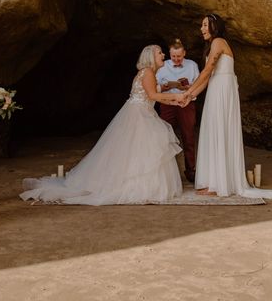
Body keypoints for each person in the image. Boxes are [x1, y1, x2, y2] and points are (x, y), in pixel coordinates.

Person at [20, 45, 185, 205]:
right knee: (142, 150)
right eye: (160, 53)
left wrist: (172, 86)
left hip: (139, 112)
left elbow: (154, 89)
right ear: (150, 57)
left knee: (131, 152)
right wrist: (176, 98)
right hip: (140, 115)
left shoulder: (146, 73)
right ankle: (137, 187)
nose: (163, 55)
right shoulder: (148, 72)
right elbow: (153, 94)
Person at [183, 14, 272, 200]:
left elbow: (207, 71)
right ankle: (214, 181)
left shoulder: (219, 42)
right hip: (216, 89)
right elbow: (207, 78)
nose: (202, 29)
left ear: (214, 26)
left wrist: (188, 91)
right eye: (202, 25)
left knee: (220, 131)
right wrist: (190, 96)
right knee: (213, 131)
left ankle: (219, 184)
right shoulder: (212, 45)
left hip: (223, 91)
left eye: (205, 25)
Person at [156, 38, 200, 182]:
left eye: (179, 56)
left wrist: (188, 88)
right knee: (165, 136)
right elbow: (155, 85)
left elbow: (199, 84)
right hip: (167, 103)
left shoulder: (192, 65)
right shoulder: (162, 66)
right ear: (169, 54)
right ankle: (165, 172)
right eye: (173, 56)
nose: (176, 59)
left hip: (186, 104)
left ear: (184, 53)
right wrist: (165, 87)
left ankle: (191, 171)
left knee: (188, 137)